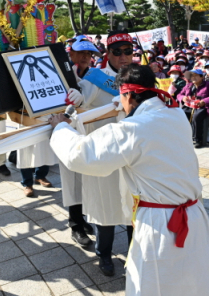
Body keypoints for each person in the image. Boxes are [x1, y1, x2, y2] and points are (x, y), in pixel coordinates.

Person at [48, 64, 209, 296]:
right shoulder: (175, 113)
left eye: (121, 96)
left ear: (128, 94)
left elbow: (82, 154)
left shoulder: (133, 129)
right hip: (195, 216)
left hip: (160, 224)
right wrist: (122, 107)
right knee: (193, 282)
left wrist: (61, 129)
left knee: (155, 285)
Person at [76, 30, 134, 276]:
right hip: (102, 151)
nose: (123, 57)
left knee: (134, 206)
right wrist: (76, 98)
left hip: (131, 153)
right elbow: (79, 104)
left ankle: (134, 254)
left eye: (128, 52)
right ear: (107, 53)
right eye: (117, 52)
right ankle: (104, 255)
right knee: (104, 206)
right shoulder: (94, 78)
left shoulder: (138, 77)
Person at [177, 69, 209, 148]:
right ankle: (184, 137)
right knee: (181, 114)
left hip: (203, 107)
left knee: (196, 116)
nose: (193, 78)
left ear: (202, 77)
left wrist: (204, 101)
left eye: (196, 76)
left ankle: (197, 139)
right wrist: (183, 98)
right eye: (192, 76)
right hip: (189, 106)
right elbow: (179, 94)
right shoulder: (188, 85)